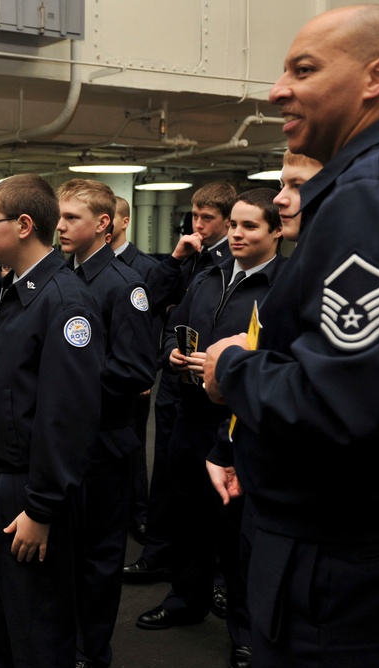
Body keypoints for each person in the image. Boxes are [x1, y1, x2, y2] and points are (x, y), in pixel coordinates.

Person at [203, 6, 379, 668]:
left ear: (377, 76)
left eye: (304, 70)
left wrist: (233, 371)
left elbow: (346, 403)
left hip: (343, 555)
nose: (279, 89)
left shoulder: (370, 196)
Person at [0, 174, 104, 668]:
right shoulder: (8, 286)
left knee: (38, 626)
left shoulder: (64, 301)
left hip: (27, 490)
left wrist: (41, 508)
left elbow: (68, 418)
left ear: (22, 225)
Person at [138, 188, 284, 668]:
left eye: (251, 227)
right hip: (190, 419)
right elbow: (175, 327)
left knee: (236, 534)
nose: (238, 235)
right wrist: (173, 359)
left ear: (276, 232)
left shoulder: (281, 288)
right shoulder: (209, 273)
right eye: (236, 226)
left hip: (241, 427)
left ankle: (245, 634)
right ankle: (185, 600)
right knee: (188, 519)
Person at [217, 152, 322, 668]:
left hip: (312, 503)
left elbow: (321, 393)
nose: (280, 199)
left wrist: (227, 371)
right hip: (257, 460)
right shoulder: (302, 274)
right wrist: (228, 445)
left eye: (294, 186)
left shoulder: (306, 280)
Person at [57, 179, 156, 668]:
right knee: (63, 550)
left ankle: (89, 653)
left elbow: (137, 369)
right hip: (62, 441)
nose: (61, 225)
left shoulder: (122, 285)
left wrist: (64, 381)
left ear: (103, 224)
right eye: (60, 216)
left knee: (97, 556)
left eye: (73, 217)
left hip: (103, 441)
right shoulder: (60, 279)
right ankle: (64, 639)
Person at [124, 182, 235, 584]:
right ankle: (160, 554)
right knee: (169, 472)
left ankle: (220, 575)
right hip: (177, 378)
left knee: (215, 481)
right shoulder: (190, 256)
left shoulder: (227, 262)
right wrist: (175, 257)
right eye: (195, 216)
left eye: (209, 218)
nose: (199, 225)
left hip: (216, 387)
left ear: (228, 221)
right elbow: (151, 300)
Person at [108, 194, 161, 545]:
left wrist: (147, 369)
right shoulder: (76, 265)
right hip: (102, 375)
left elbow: (153, 322)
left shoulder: (144, 267)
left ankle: (137, 514)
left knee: (134, 446)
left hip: (132, 375)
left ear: (124, 222)